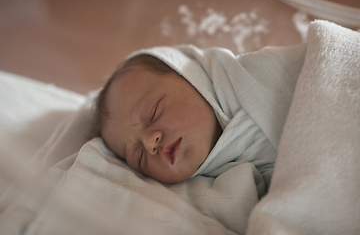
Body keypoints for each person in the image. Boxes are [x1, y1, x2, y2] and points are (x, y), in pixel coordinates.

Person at [94, 44, 305, 188]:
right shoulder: (226, 187)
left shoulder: (262, 75)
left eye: (153, 112)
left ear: (190, 75)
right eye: (138, 156)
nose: (150, 143)